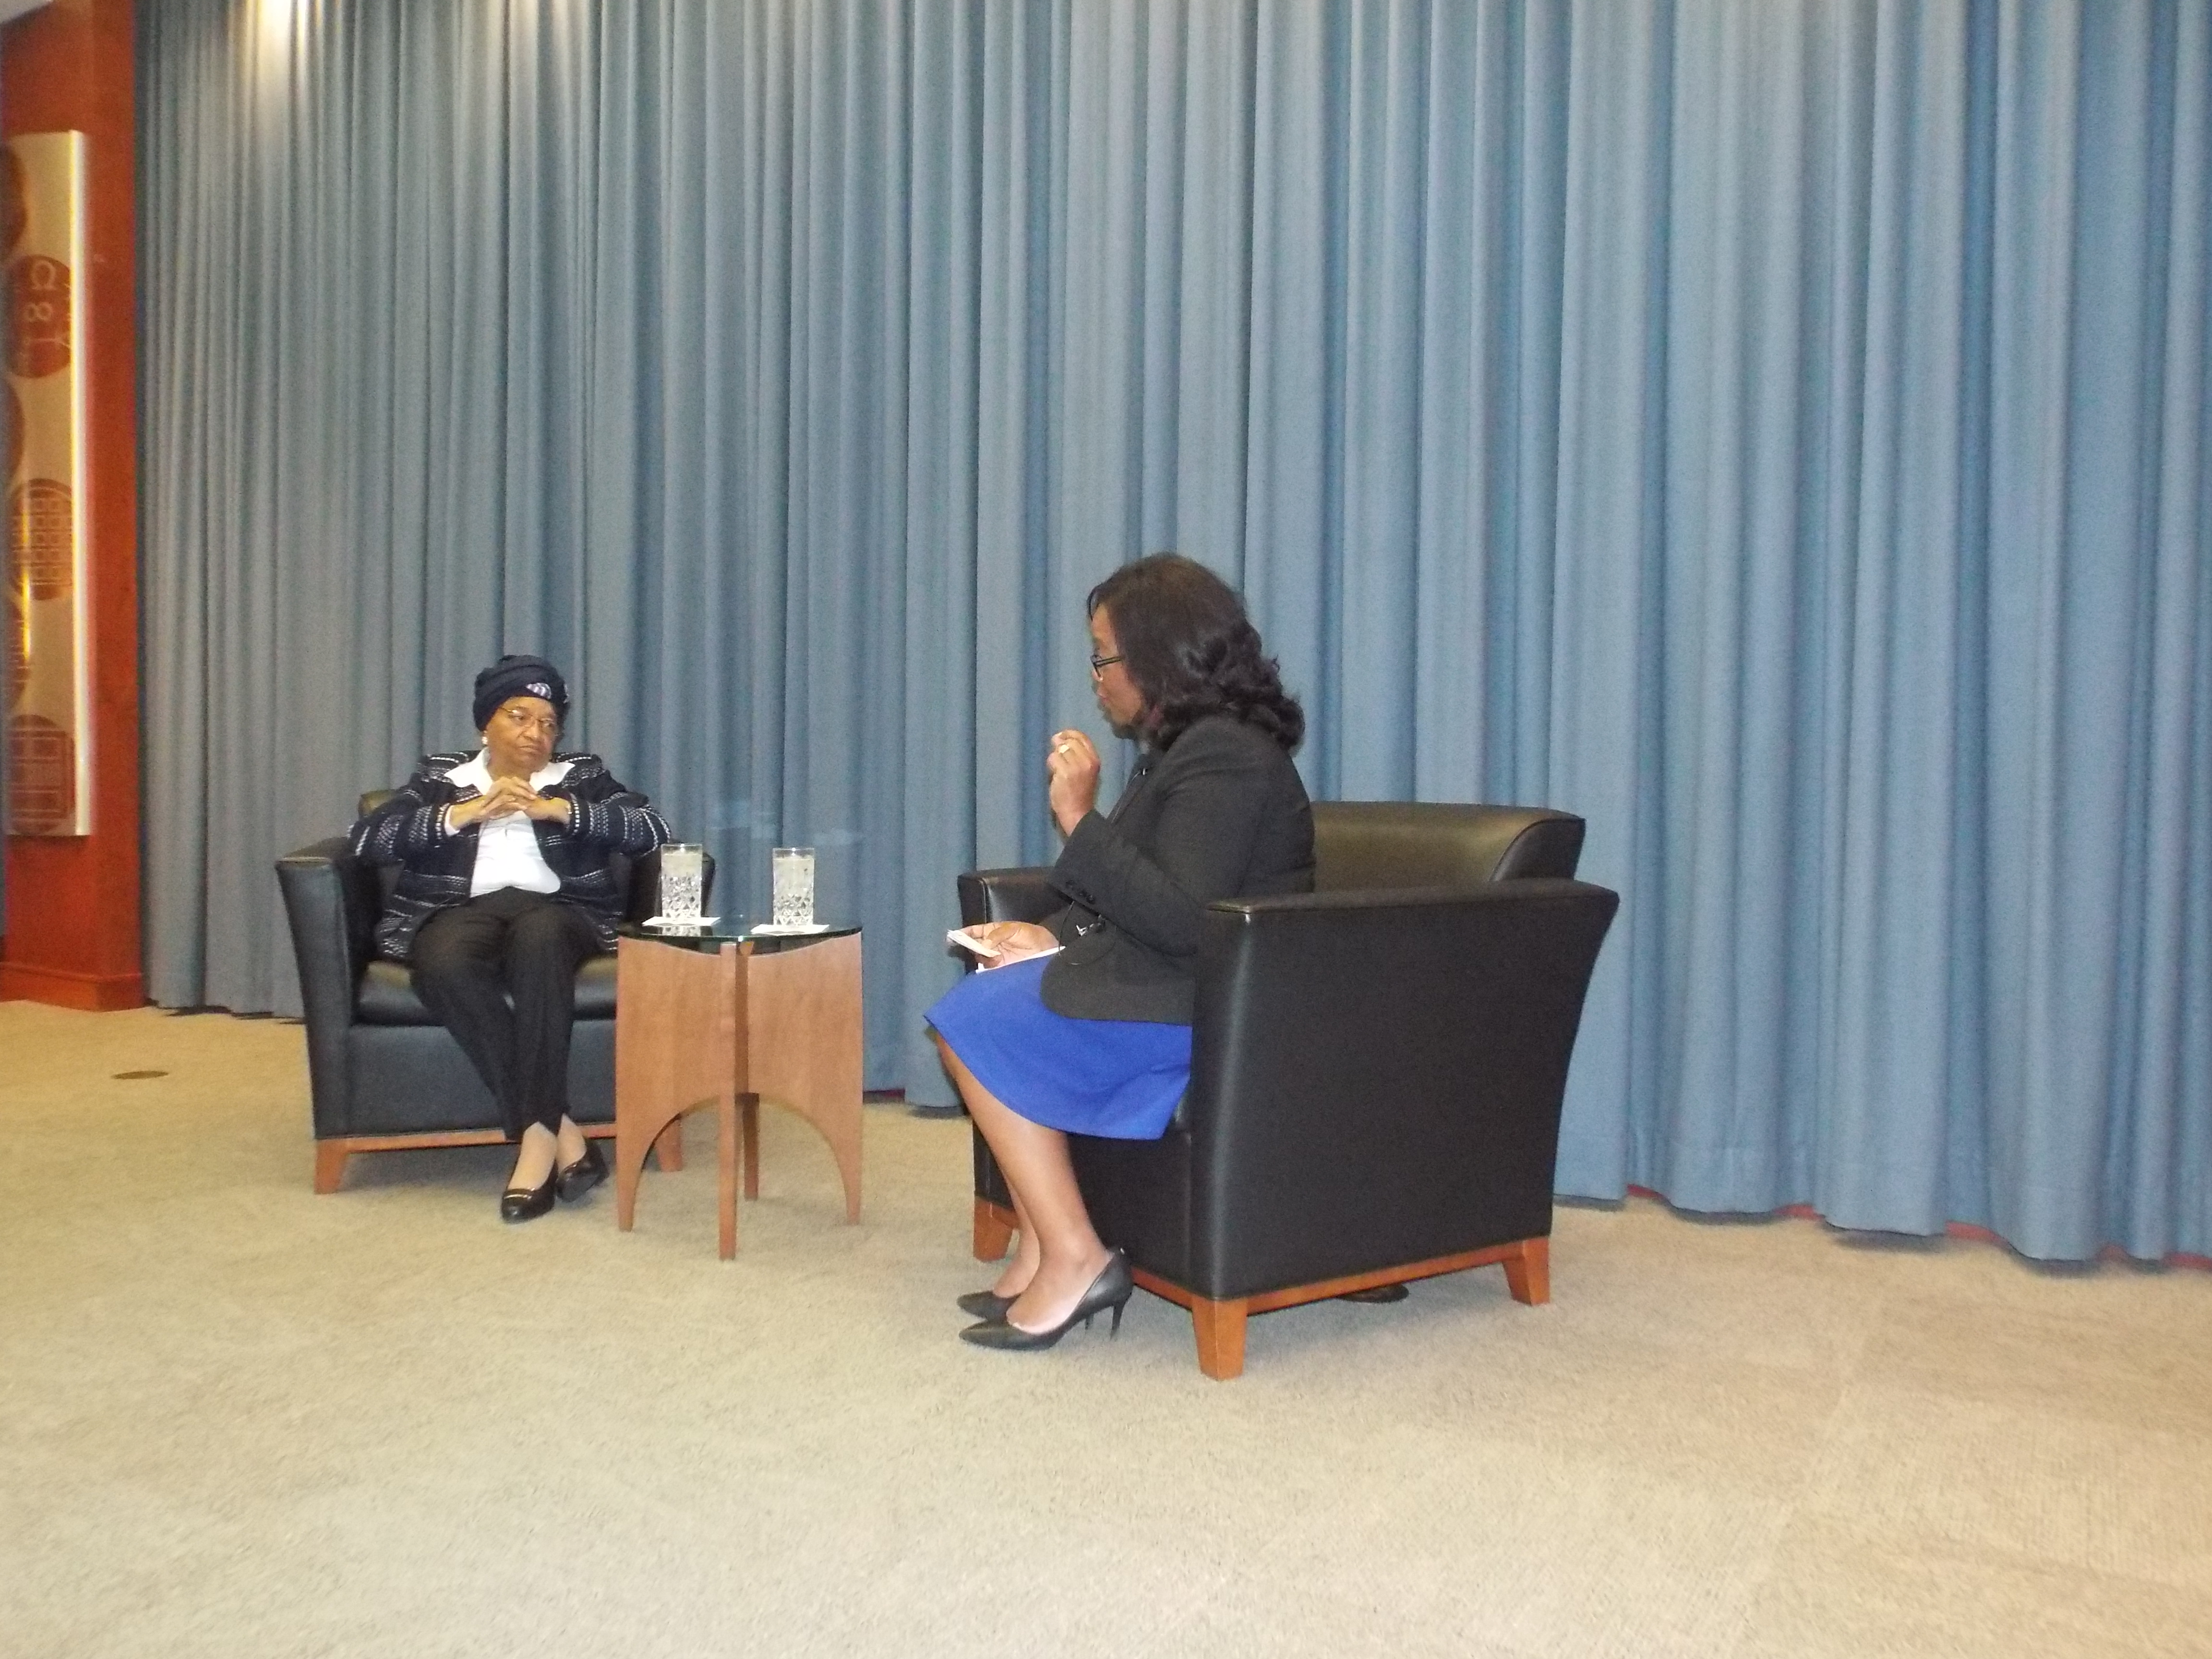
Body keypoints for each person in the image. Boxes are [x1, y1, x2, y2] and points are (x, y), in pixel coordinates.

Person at [929, 554, 1314, 1350]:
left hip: (1212, 1010)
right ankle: (1042, 1240)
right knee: (986, 997)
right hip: (1173, 986)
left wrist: (1078, 818)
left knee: (970, 1020)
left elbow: (1178, 920)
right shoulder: (1182, 752)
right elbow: (1137, 899)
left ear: (1157, 653)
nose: (1097, 675)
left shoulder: (1227, 758)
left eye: (1103, 654)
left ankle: (1075, 1255)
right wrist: (1045, 936)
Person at [350, 655, 671, 1222]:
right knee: (443, 964)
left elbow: (652, 830)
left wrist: (559, 811)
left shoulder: (582, 776)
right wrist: (463, 814)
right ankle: (561, 1130)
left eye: (548, 723)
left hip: (560, 908)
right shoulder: (441, 778)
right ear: (485, 725)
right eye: (519, 716)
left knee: (541, 940)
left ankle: (536, 1144)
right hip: (460, 909)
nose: (535, 733)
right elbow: (370, 841)